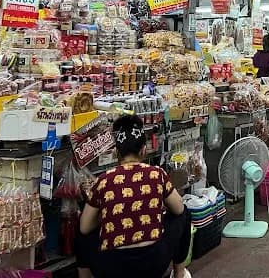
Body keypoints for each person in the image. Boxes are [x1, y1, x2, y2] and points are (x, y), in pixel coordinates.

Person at [77, 114, 192, 278]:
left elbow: (84, 228)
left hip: (112, 267)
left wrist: (105, 217)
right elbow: (179, 208)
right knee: (185, 214)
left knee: (81, 227)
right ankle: (179, 273)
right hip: (154, 263)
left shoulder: (103, 180)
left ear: (117, 152)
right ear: (143, 150)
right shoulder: (156, 174)